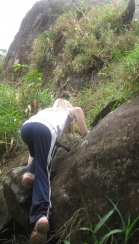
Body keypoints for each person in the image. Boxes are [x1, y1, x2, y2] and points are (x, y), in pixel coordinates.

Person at [20, 98, 90, 244]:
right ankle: (41, 215)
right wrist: (85, 132)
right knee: (43, 171)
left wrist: (29, 168)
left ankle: (30, 173)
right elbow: (78, 110)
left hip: (26, 128)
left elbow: (33, 153)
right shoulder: (66, 111)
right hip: (45, 130)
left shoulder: (45, 111)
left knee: (42, 154)